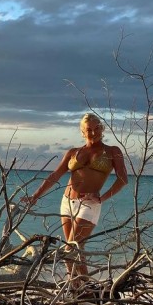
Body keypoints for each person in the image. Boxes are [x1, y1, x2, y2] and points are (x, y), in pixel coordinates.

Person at [22, 113, 128, 280]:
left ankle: (76, 287)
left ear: (102, 129)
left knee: (70, 250)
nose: (93, 132)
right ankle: (81, 289)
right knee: (76, 250)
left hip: (89, 204)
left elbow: (123, 179)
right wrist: (35, 196)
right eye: (89, 129)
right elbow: (55, 176)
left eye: (97, 128)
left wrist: (102, 198)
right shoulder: (73, 152)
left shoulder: (112, 151)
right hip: (67, 203)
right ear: (82, 132)